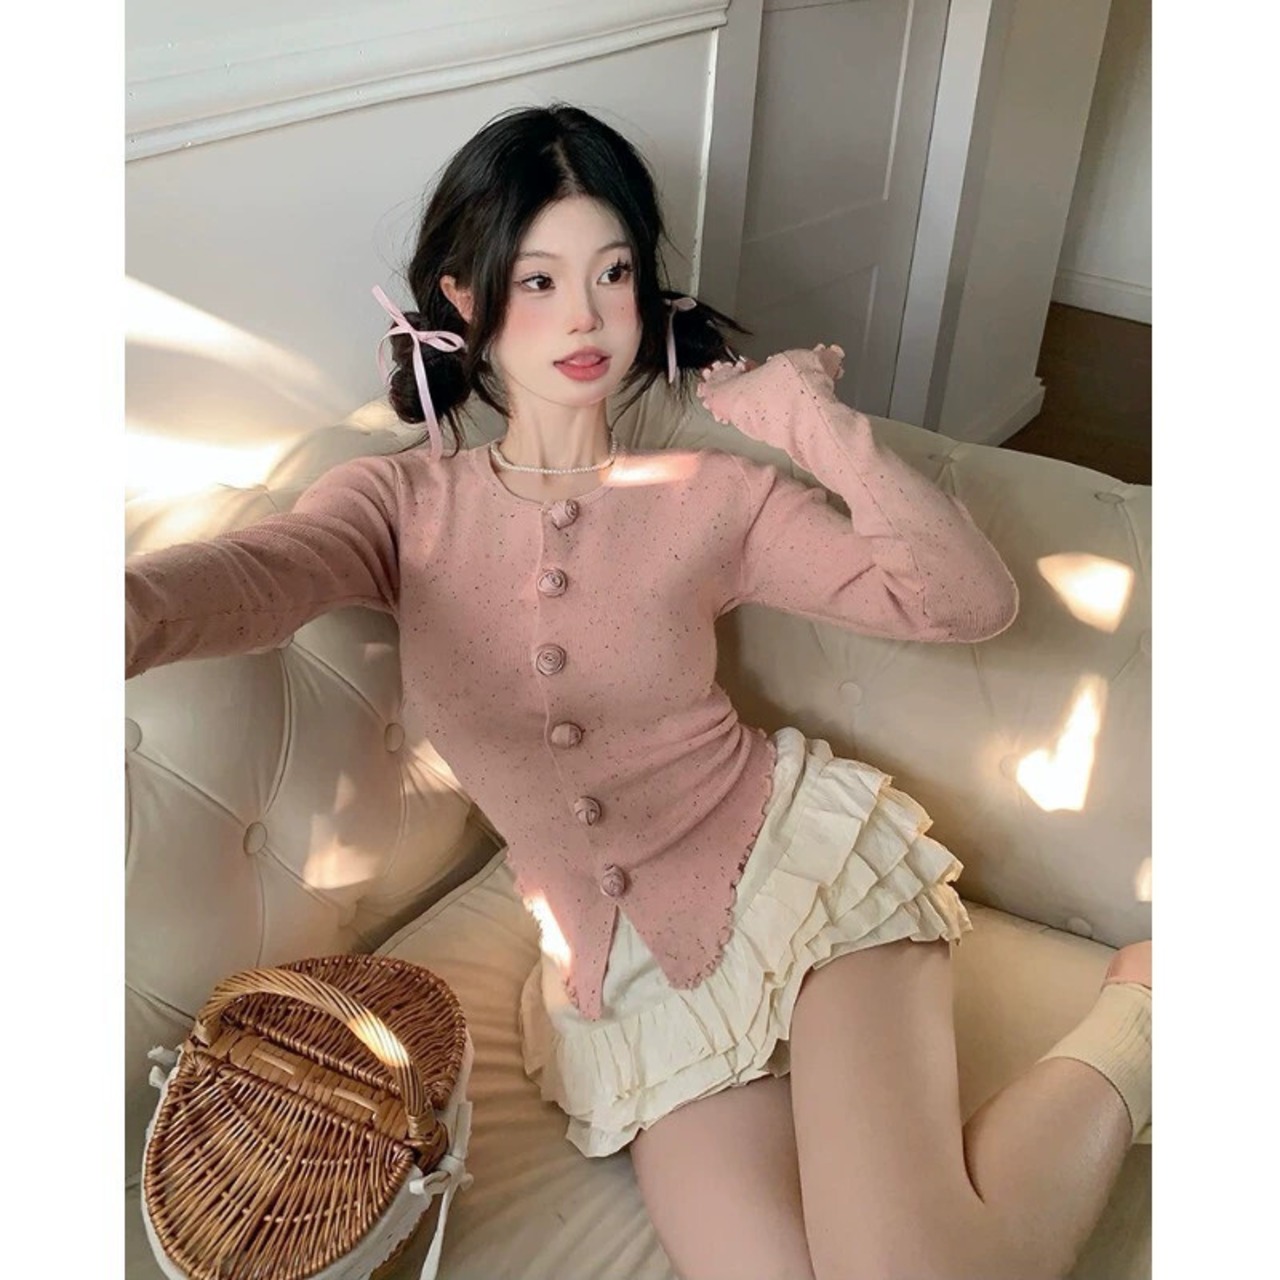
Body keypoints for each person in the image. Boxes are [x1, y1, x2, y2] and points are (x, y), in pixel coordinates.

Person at [126, 103, 1152, 1280]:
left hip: (794, 875)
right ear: (462, 296)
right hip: (619, 980)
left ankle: (1142, 1021)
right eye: (538, 279)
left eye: (611, 273)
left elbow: (963, 600)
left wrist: (816, 426)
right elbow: (257, 576)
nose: (582, 315)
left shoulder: (710, 493)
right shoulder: (395, 508)